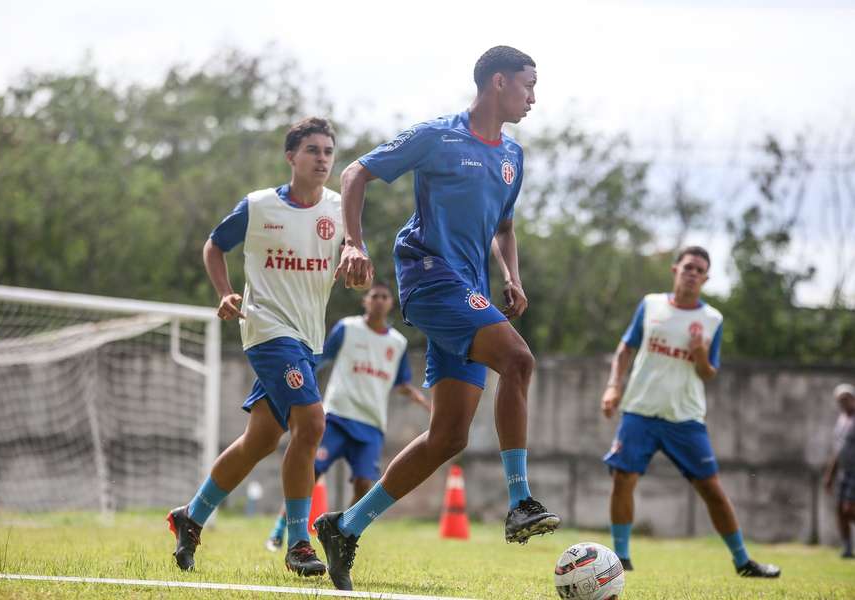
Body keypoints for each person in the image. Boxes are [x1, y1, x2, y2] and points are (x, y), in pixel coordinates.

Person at [315, 45, 560, 591]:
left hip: (469, 290)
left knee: (447, 438)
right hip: (429, 279)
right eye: (528, 85)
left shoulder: (512, 158)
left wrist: (512, 278)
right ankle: (520, 501)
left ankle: (345, 527)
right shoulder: (439, 136)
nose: (534, 98)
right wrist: (353, 245)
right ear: (498, 83)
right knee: (518, 360)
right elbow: (355, 173)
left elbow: (504, 228)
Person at [165, 117, 353, 578]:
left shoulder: (341, 208)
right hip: (267, 331)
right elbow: (214, 246)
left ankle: (191, 516)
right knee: (311, 423)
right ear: (291, 157)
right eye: (313, 150)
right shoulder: (259, 206)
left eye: (329, 151)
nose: (322, 159)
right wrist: (225, 292)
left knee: (261, 440)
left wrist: (355, 263)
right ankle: (297, 544)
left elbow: (351, 254)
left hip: (308, 338)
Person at [600, 246, 781, 578]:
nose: (693, 273)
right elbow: (626, 347)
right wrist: (613, 386)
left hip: (685, 418)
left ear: (706, 278)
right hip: (640, 411)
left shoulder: (712, 319)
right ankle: (620, 558)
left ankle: (743, 561)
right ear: (675, 270)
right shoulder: (651, 304)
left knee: (711, 488)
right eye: (688, 267)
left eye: (700, 270)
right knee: (623, 478)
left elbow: (709, 372)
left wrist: (699, 354)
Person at [265, 282, 430, 552]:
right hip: (337, 416)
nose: (378, 300)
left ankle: (344, 534)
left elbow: (400, 381)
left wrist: (415, 395)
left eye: (384, 296)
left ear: (391, 303)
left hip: (372, 424)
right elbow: (321, 360)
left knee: (365, 483)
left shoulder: (397, 343)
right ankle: (281, 528)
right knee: (311, 471)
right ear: (365, 301)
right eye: (373, 296)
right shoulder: (347, 328)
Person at [824, 383, 855, 558]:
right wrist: (830, 475)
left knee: (849, 509)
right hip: (843, 471)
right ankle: (847, 549)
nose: (843, 403)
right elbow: (837, 450)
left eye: (846, 399)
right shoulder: (842, 420)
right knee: (839, 510)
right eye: (840, 400)